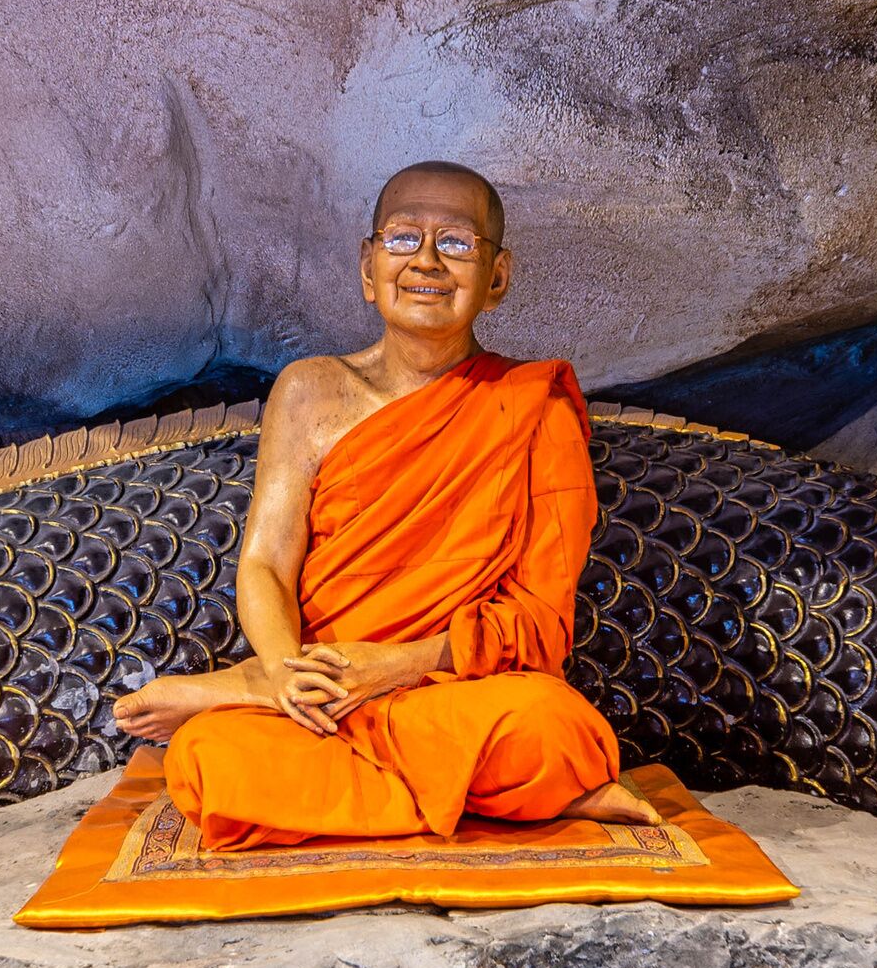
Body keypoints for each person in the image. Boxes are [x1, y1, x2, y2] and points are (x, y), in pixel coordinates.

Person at [111, 160, 659, 848]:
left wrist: (395, 666)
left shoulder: (535, 408)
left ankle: (251, 696)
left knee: (554, 731)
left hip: (449, 690)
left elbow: (541, 625)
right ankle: (471, 788)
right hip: (321, 693)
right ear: (369, 268)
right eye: (403, 239)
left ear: (497, 279)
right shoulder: (310, 391)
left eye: (457, 243)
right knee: (207, 761)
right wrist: (284, 673)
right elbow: (265, 566)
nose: (426, 261)